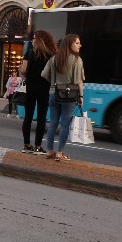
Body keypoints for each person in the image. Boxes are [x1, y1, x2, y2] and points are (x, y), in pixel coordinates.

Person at [41, 34, 84, 162]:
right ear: (69, 44)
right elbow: (78, 81)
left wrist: (54, 82)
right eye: (77, 43)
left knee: (53, 123)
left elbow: (44, 74)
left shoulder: (53, 59)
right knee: (65, 124)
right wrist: (81, 96)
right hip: (69, 95)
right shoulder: (77, 60)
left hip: (53, 93)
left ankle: (49, 151)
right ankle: (59, 153)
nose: (79, 45)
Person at [20, 30, 56, 154]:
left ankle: (26, 145)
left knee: (28, 116)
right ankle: (37, 146)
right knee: (41, 117)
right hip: (44, 88)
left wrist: (27, 76)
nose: (32, 40)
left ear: (40, 40)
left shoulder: (29, 53)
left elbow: (23, 70)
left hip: (30, 87)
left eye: (34, 38)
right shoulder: (51, 54)